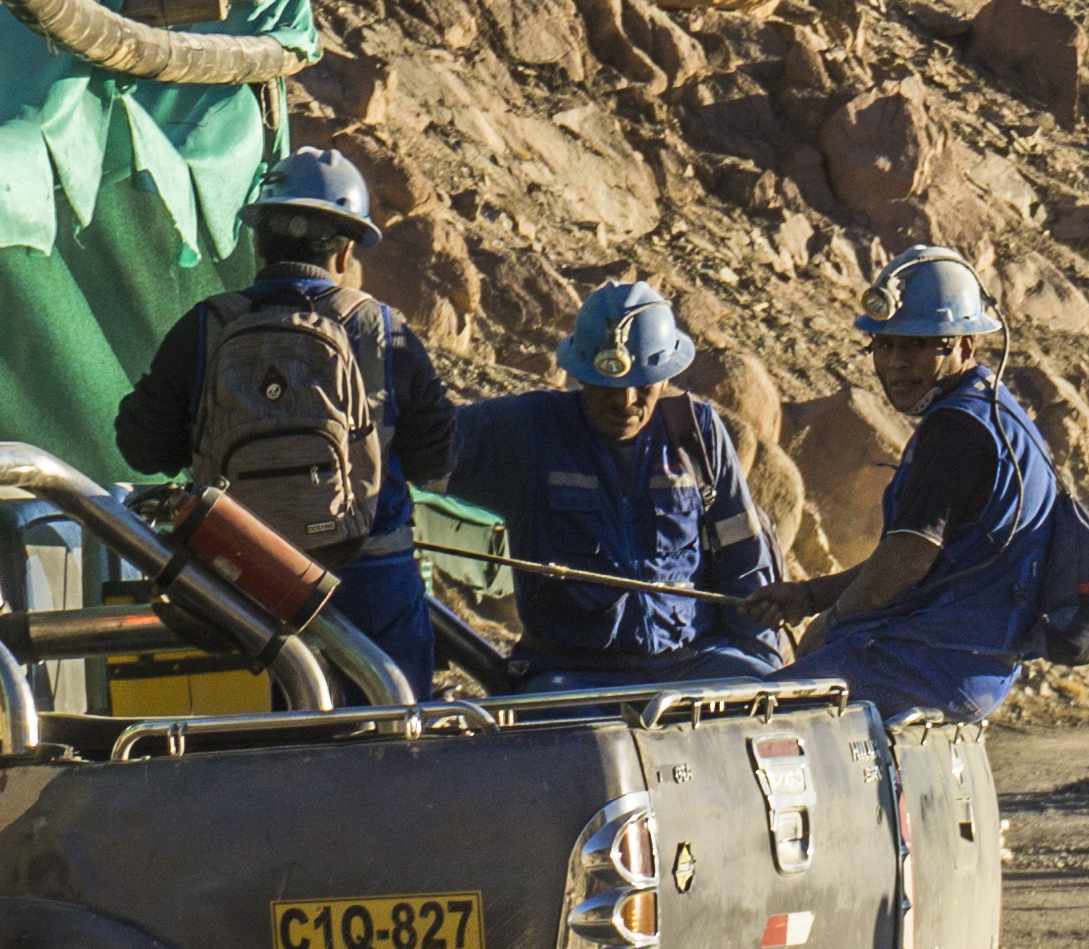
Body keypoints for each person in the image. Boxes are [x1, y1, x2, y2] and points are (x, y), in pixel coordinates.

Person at [113, 145, 454, 694]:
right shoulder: (385, 332)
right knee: (391, 730)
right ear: (346, 252)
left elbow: (142, 448)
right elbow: (436, 459)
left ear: (259, 243)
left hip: (241, 580)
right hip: (370, 585)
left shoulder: (205, 326)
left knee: (262, 737)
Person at [739, 246, 1059, 723]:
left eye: (917, 345)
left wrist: (831, 622)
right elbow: (916, 558)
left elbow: (907, 560)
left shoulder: (955, 429)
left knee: (752, 717)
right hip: (969, 664)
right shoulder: (994, 411)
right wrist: (811, 597)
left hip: (936, 662)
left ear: (966, 344)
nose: (897, 363)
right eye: (885, 345)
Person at [443, 280, 786, 688]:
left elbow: (744, 558)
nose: (625, 401)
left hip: (690, 664)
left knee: (772, 692)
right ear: (581, 375)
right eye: (608, 386)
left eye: (642, 385)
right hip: (572, 674)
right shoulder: (528, 428)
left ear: (665, 378)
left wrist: (762, 664)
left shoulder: (696, 433)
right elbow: (425, 443)